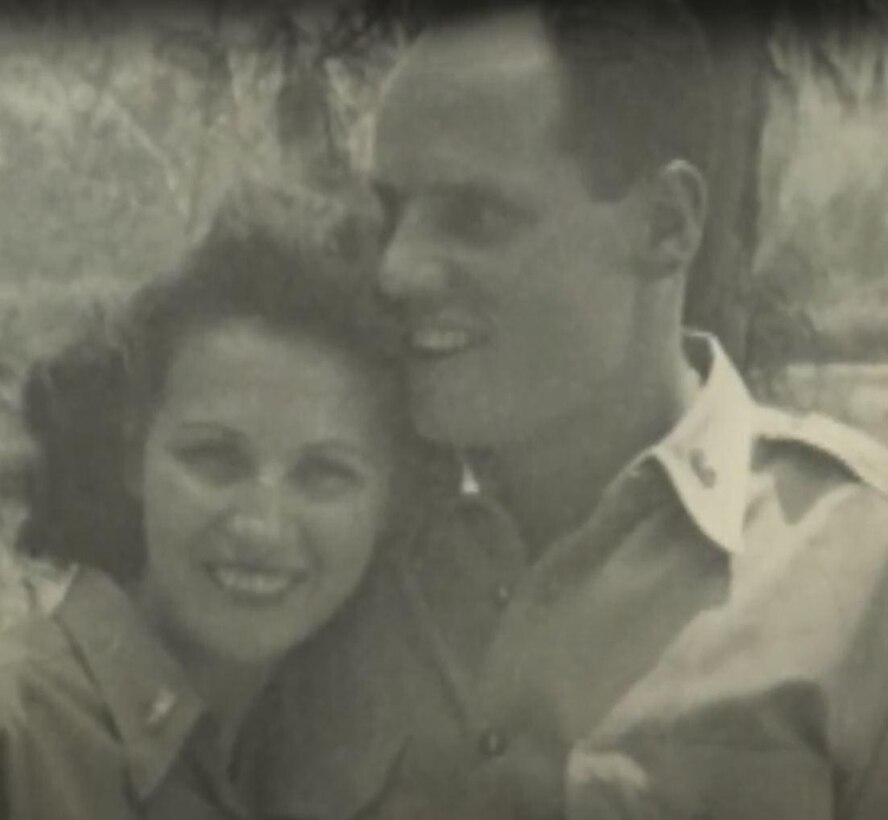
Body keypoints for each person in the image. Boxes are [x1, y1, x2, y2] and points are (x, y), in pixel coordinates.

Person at [260, 2, 888, 818]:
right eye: (393, 214)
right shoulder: (328, 542)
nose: (399, 268)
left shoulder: (857, 570)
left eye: (475, 216)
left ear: (665, 225)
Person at [0, 185, 425, 819]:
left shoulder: (317, 757)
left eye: (325, 474)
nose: (260, 525)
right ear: (132, 455)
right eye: (214, 459)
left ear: (393, 500)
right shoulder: (22, 730)